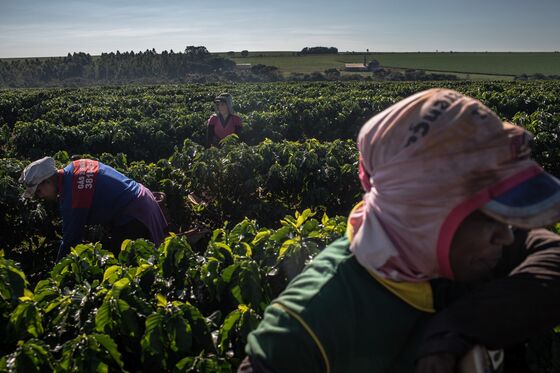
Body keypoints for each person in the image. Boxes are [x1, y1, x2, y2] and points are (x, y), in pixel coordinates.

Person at [238, 88, 560, 373]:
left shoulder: (459, 249)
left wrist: (456, 327)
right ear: (423, 216)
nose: (506, 236)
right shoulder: (309, 323)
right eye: (490, 216)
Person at [19, 157, 168, 261]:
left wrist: (57, 274)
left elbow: (71, 240)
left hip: (135, 214)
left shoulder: (72, 197)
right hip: (144, 197)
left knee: (120, 265)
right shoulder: (75, 166)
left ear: (48, 181)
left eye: (39, 191)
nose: (41, 196)